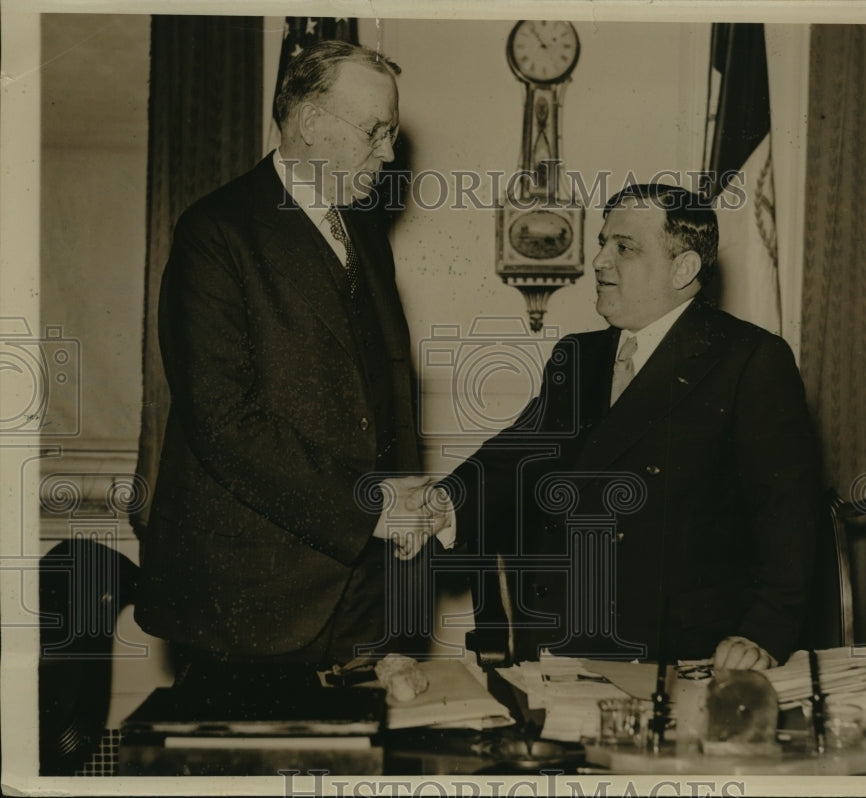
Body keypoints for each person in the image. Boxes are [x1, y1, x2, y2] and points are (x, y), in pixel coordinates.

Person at [423, 183, 821, 669]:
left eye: (624, 247)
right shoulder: (578, 355)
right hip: (565, 637)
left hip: (683, 651)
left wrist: (762, 634)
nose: (599, 261)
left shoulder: (749, 358)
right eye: (603, 243)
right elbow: (517, 456)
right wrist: (442, 504)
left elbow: (787, 513)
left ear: (683, 268)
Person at [135, 41, 434, 671]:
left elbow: (389, 392)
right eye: (375, 131)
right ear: (311, 122)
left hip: (366, 589)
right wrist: (373, 510)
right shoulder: (215, 232)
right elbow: (223, 422)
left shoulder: (365, 235)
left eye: (391, 134)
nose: (387, 153)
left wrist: (406, 517)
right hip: (253, 599)